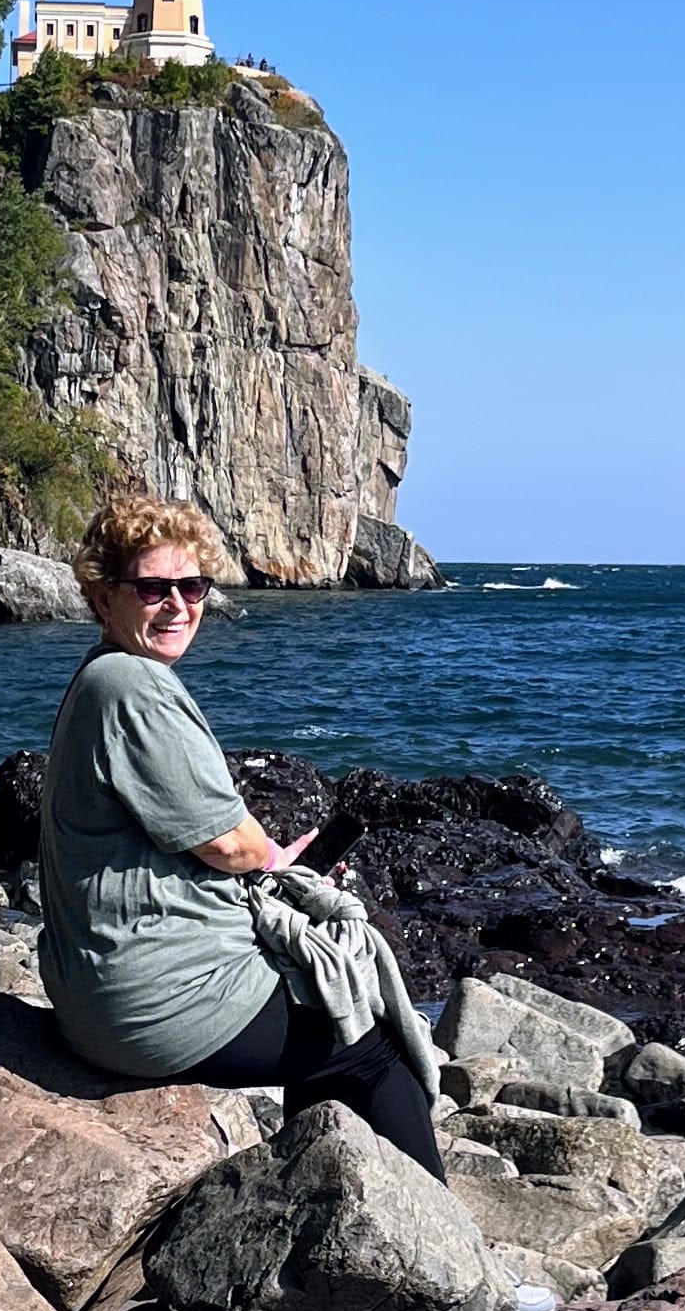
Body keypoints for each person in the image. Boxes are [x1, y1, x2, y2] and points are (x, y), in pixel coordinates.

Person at [35, 489, 446, 1175]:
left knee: (323, 1027)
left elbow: (195, 830)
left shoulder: (101, 678)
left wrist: (263, 855)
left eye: (191, 585)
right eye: (154, 588)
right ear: (104, 598)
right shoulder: (132, 686)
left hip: (102, 989)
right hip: (153, 1002)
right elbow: (227, 842)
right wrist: (265, 855)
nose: (178, 605)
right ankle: (445, 1258)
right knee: (371, 1045)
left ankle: (323, 1220)